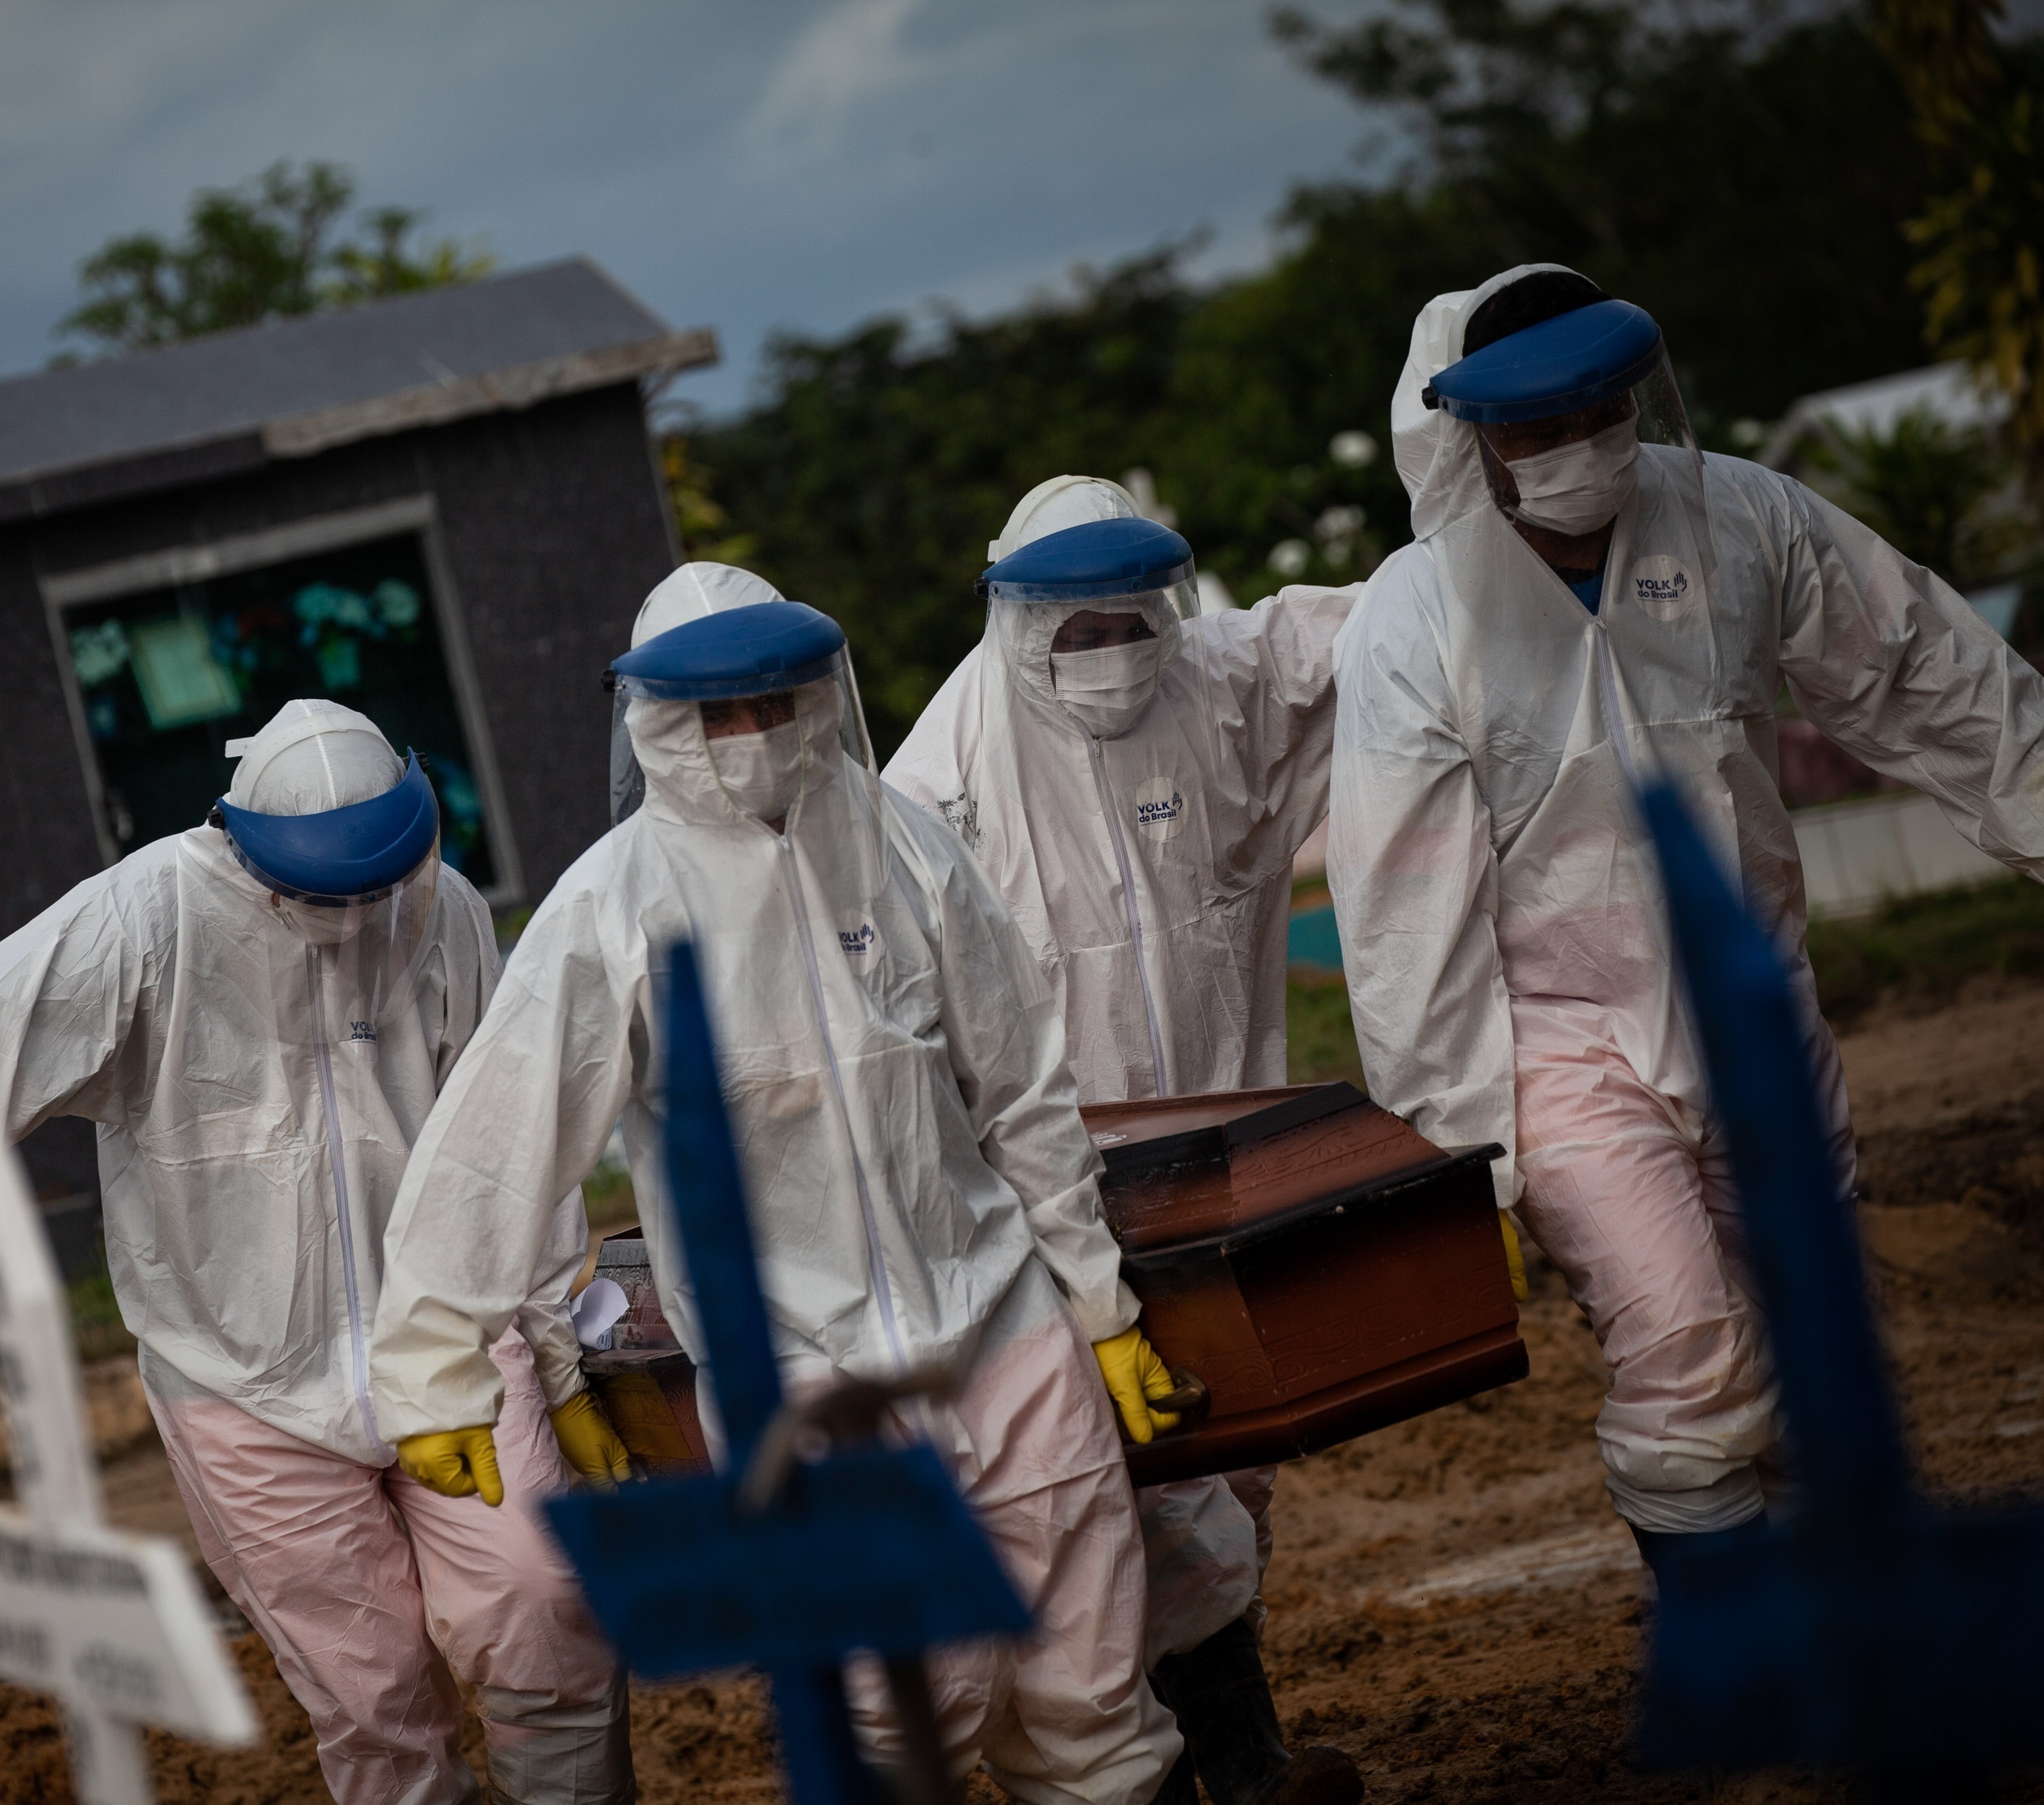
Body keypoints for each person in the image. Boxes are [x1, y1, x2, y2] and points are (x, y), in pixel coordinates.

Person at [367, 564, 1190, 1805]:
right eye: (717, 715)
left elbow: (1020, 1085)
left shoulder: (901, 842)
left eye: (772, 704)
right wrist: (431, 1359)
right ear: (655, 722)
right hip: (802, 1368)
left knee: (1092, 1673)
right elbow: (497, 1141)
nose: (752, 738)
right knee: (907, 1698)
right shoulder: (613, 906)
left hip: (1002, 1321)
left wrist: (1093, 1297)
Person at [0, 699, 638, 1805]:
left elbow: (513, 1146)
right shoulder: (138, 925)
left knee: (545, 1606)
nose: (361, 914)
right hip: (240, 1383)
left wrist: (556, 1358)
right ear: (241, 846)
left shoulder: (441, 912)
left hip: (448, 1335)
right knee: (371, 1693)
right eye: (327, 891)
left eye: (383, 882)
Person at [1329, 264, 2044, 1562]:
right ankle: (1732, 1645)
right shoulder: (1413, 619)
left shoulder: (1743, 519)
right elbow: (1401, 914)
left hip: (1754, 999)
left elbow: (1930, 675)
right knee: (1686, 1350)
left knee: (1809, 1329)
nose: (1578, 451)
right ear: (1466, 436)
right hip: (1560, 1041)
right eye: (1535, 429)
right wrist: (1460, 1159)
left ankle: (1846, 1610)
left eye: (1600, 412)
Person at [885, 479, 1365, 1805]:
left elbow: (1409, 619)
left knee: (1225, 1479)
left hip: (1224, 1171)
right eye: (1071, 621)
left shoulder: (1223, 679)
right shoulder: (938, 784)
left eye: (1126, 613)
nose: (1104, 644)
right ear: (1012, 615)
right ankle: (1217, 1767)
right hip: (1046, 1207)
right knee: (1121, 1500)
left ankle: (1211, 1752)